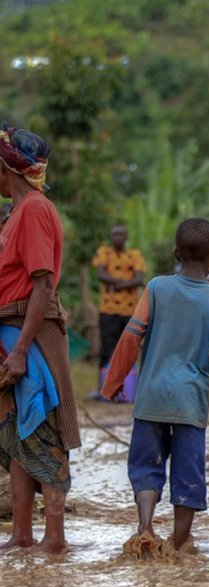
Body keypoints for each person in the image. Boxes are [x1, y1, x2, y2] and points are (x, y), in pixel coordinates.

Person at [101, 218, 209, 555]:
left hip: (151, 397)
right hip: (189, 403)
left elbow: (131, 337)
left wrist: (113, 383)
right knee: (188, 471)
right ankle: (179, 542)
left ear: (176, 253)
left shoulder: (156, 287)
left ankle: (145, 528)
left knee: (146, 465)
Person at [0, 122, 80, 554]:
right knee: (16, 435)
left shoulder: (33, 210)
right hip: (13, 335)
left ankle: (54, 538)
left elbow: (42, 285)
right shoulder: (16, 213)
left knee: (43, 432)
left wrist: (19, 350)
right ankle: (21, 534)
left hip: (30, 338)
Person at [91, 224, 146, 399]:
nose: (118, 238)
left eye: (121, 234)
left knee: (129, 349)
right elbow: (101, 275)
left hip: (130, 311)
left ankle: (129, 391)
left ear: (126, 237)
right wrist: (127, 283)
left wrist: (116, 284)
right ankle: (103, 391)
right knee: (107, 348)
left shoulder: (134, 255)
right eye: (115, 234)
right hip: (108, 309)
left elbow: (139, 278)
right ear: (111, 236)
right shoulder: (104, 253)